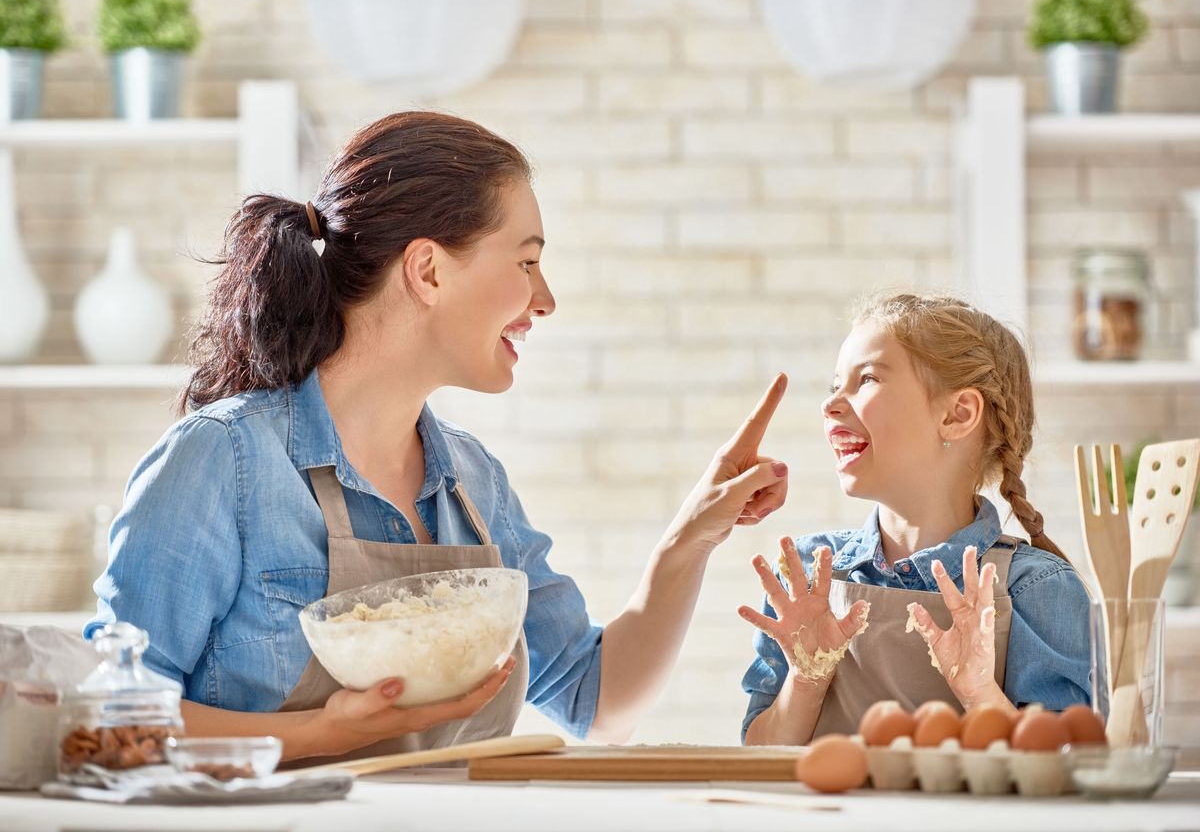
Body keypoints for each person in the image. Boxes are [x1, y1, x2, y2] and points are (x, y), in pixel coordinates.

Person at [87, 111, 790, 764]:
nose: (544, 299)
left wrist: (690, 541)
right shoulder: (224, 461)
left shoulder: (473, 482)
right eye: (525, 262)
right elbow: (110, 721)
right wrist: (315, 732)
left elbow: (595, 704)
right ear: (427, 271)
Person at [739, 293, 1090, 746]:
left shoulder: (1036, 588)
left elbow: (1064, 771)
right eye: (833, 387)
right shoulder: (810, 576)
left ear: (957, 414)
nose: (831, 405)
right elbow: (757, 754)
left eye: (865, 379)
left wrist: (981, 692)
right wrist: (806, 680)